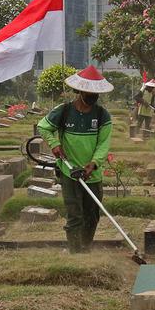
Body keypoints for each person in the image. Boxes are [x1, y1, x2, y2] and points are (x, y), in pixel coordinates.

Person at [37, 66, 114, 252]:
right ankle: (75, 252)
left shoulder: (102, 116)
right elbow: (43, 127)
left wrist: (94, 163)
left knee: (92, 215)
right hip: (68, 171)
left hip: (92, 173)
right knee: (74, 215)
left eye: (96, 93)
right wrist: (54, 144)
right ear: (80, 91)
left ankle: (85, 247)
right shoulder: (63, 111)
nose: (93, 97)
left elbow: (103, 144)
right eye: (89, 92)